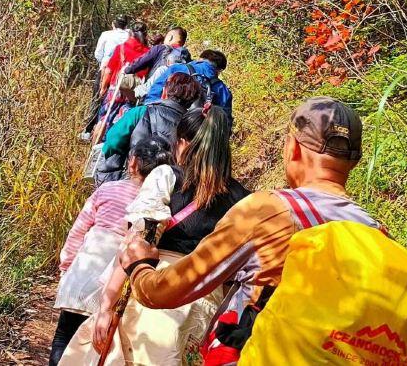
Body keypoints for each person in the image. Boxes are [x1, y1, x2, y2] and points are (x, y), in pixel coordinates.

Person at [119, 98, 383, 362]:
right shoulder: (377, 235)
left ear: (293, 149)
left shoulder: (268, 211)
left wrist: (139, 267)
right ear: (355, 161)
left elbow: (164, 291)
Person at [62, 106, 249, 364]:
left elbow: (136, 245)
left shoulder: (166, 176)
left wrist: (106, 306)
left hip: (154, 290)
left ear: (182, 143)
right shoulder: (244, 199)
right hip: (202, 307)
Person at [49, 138, 171, 365]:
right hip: (117, 283)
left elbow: (78, 230)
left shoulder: (107, 189)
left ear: (132, 162)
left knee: (64, 336)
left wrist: (66, 266)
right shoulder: (159, 204)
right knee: (97, 350)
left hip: (84, 272)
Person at [93, 73, 201, 186]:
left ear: (165, 91)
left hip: (134, 179)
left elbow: (112, 142)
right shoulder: (191, 126)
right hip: (168, 188)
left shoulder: (140, 112)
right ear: (193, 100)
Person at [142, 49, 233, 124]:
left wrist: (147, 113)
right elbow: (225, 121)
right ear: (219, 70)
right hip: (192, 133)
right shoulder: (223, 90)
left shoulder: (177, 69)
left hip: (162, 117)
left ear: (199, 59)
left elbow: (155, 91)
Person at [80, 16, 130, 141]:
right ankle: (108, 133)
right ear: (126, 25)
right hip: (123, 74)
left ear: (114, 24)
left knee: (97, 99)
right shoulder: (129, 36)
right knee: (116, 102)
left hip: (105, 69)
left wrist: (103, 61)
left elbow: (98, 53)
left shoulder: (106, 35)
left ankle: (88, 131)